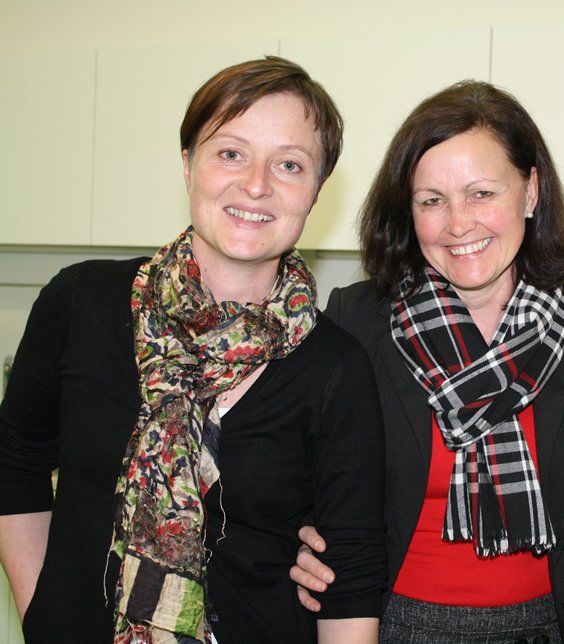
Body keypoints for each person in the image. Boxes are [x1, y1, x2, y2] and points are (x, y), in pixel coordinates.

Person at [0, 57, 386, 643]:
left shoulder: (335, 366)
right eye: (230, 153)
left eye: (289, 164)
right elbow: (15, 464)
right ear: (187, 166)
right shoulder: (81, 303)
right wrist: (44, 614)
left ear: (315, 192)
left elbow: (350, 571)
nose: (256, 184)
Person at [290, 80, 564, 643]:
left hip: (547, 629)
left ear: (530, 192)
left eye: (481, 193)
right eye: (432, 200)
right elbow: (299, 475)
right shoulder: (357, 323)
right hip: (392, 628)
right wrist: (299, 538)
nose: (458, 223)